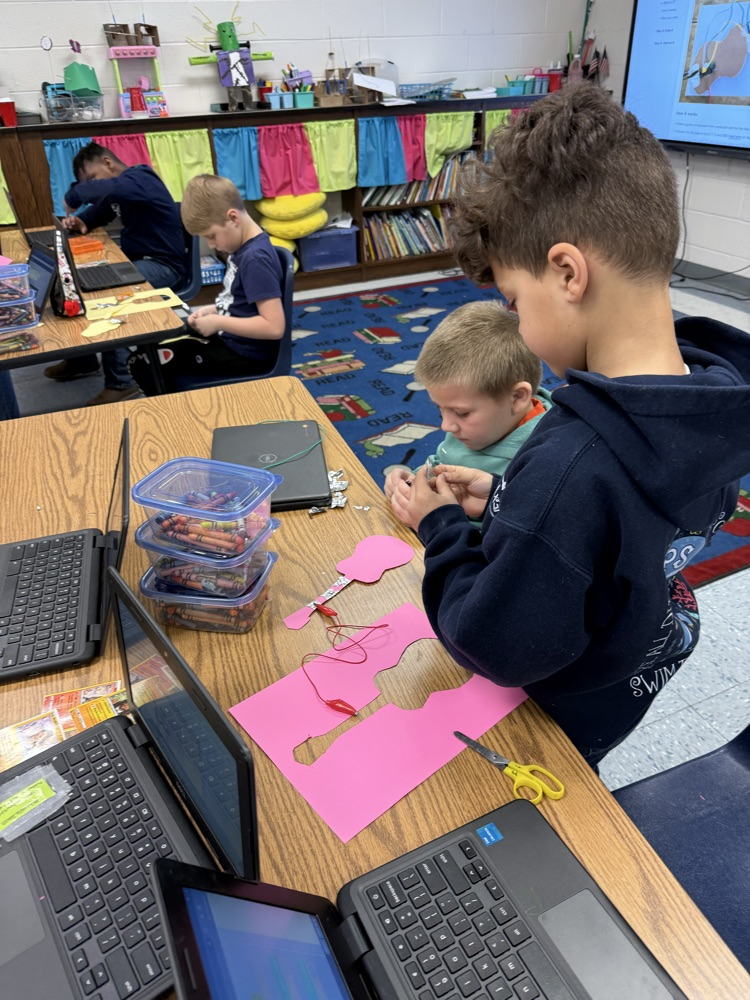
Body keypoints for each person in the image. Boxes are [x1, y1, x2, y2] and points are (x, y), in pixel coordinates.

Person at [388, 83, 750, 769]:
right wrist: (504, 505)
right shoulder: (710, 400)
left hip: (556, 712)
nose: (520, 325)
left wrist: (440, 527)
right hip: (638, 665)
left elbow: (495, 643)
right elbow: (621, 541)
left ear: (567, 272)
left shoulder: (568, 463)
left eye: (516, 303)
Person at [384, 299, 553, 525]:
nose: (446, 426)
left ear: (517, 398)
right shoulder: (473, 430)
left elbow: (512, 539)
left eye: (461, 413)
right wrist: (414, 480)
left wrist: (437, 521)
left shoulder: (544, 462)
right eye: (440, 409)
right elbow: (441, 461)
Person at [44, 142, 189, 405]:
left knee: (109, 296)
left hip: (164, 265)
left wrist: (74, 195)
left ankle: (122, 382)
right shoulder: (120, 190)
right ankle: (85, 359)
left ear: (108, 162)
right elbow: (100, 210)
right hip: (135, 260)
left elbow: (107, 189)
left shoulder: (141, 179)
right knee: (76, 283)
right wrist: (81, 220)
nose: (90, 185)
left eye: (91, 178)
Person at [128, 174, 284, 395]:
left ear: (233, 218)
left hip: (244, 354)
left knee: (144, 362)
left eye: (211, 236)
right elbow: (241, 301)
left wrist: (218, 321)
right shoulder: (242, 249)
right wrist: (213, 310)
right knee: (150, 343)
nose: (212, 244)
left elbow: (274, 327)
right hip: (231, 340)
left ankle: (178, 416)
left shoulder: (255, 259)